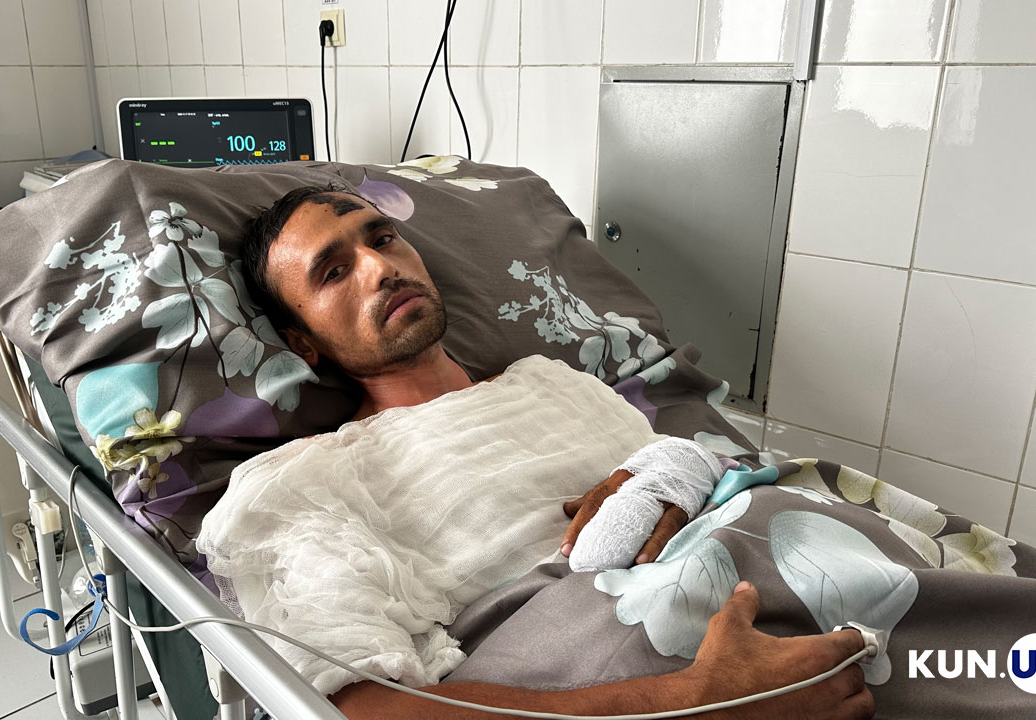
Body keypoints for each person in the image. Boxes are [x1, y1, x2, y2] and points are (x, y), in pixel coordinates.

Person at [227, 185, 874, 719]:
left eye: (383, 237)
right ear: (302, 342)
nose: (379, 267)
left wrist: (681, 471)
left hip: (787, 570)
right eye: (334, 271)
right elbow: (356, 709)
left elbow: (684, 476)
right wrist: (691, 703)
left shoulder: (553, 382)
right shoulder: (300, 483)